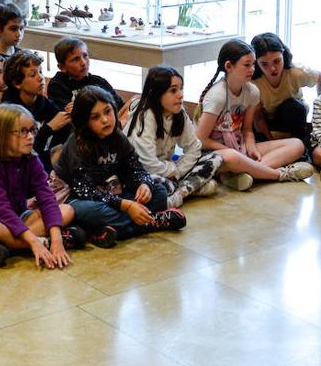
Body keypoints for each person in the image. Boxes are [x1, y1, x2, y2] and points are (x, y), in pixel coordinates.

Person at [59, 86, 187, 245]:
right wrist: (126, 205)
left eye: (108, 111)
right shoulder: (76, 144)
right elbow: (84, 190)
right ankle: (151, 222)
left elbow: (136, 168)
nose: (105, 120)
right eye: (95, 117)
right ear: (84, 121)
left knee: (159, 192)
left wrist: (144, 184)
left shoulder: (118, 137)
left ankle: (102, 231)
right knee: (85, 211)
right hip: (80, 199)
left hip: (113, 193)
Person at [0, 105, 84, 268]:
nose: (30, 137)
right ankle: (39, 244)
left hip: (20, 217)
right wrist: (35, 242)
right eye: (22, 131)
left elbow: (46, 198)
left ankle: (7, 247)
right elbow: (2, 210)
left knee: (67, 210)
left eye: (32, 130)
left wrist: (57, 240)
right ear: (2, 136)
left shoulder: (31, 160)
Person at [196, 39, 314, 190]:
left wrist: (251, 147)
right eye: (247, 65)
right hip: (213, 155)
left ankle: (242, 174)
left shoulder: (252, 91)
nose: (252, 69)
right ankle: (279, 174)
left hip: (238, 148)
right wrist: (233, 152)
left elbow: (247, 130)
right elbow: (201, 140)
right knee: (233, 157)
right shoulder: (217, 95)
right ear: (228, 66)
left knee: (297, 145)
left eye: (253, 64)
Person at [126, 65, 221, 207]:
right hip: (143, 175)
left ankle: (180, 191)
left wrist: (177, 171)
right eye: (173, 90)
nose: (180, 95)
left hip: (169, 172)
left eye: (181, 88)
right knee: (155, 184)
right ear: (156, 93)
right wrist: (173, 169)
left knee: (214, 158)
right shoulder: (146, 116)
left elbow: (194, 147)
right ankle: (189, 188)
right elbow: (147, 165)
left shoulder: (178, 113)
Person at [1, 50, 71, 170]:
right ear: (17, 83)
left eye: (41, 72)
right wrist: (48, 128)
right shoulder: (9, 112)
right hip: (18, 165)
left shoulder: (40, 100)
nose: (41, 78)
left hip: (39, 158)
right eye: (33, 75)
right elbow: (23, 152)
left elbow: (62, 123)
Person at [251, 32, 321, 146]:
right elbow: (258, 119)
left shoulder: (296, 72)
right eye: (264, 64)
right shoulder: (253, 83)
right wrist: (271, 142)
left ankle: (302, 144)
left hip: (294, 115)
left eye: (277, 61)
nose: (272, 68)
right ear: (256, 63)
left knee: (293, 108)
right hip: (267, 121)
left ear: (283, 54)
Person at [47, 36, 123, 112]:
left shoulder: (98, 82)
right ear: (62, 67)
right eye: (75, 59)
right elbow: (65, 116)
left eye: (85, 56)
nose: (83, 63)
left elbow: (121, 106)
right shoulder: (57, 85)